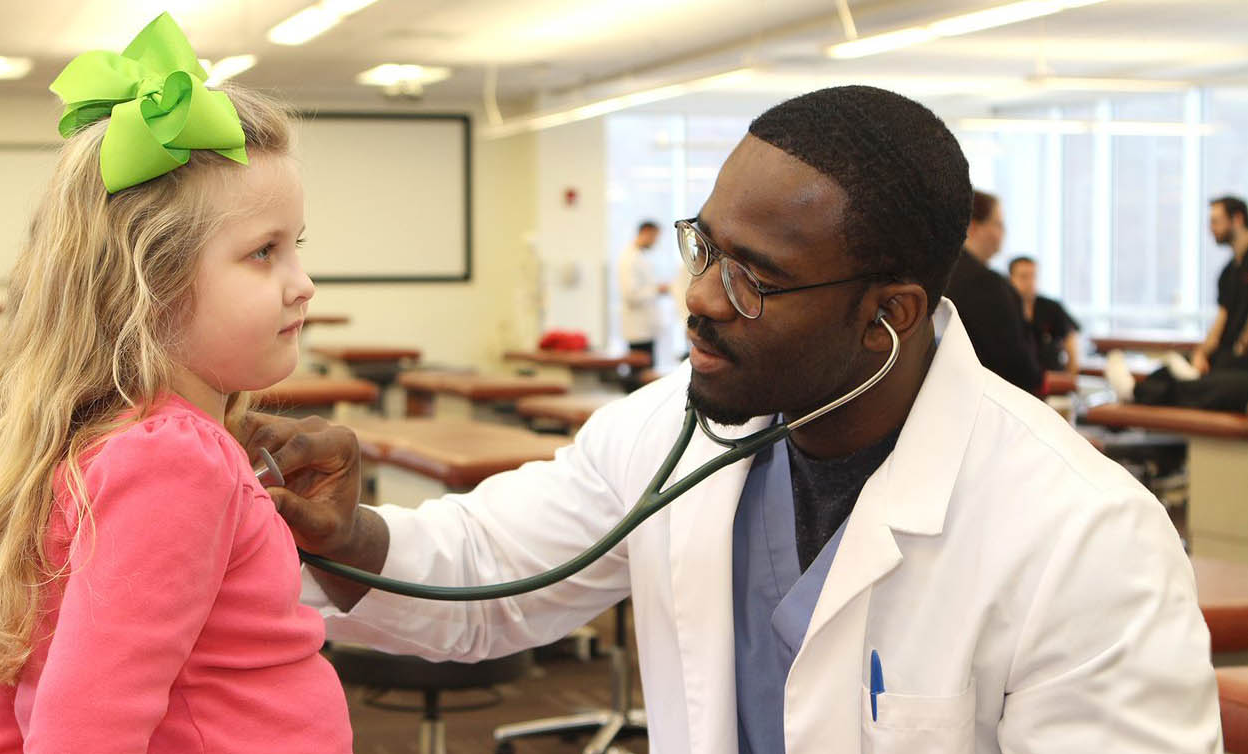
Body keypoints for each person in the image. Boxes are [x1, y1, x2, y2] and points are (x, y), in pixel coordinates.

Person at [251, 87, 1218, 753]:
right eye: (705, 247)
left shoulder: (1083, 537)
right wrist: (351, 534)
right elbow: (493, 573)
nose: (702, 297)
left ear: (889, 315)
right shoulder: (673, 429)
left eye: (756, 277)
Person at [0, 14, 353, 753]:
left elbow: (9, 691)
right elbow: (86, 729)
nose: (302, 284)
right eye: (262, 253)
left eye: (295, 247)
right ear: (152, 284)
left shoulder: (88, 440)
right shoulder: (175, 461)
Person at [1108, 195, 1248, 411]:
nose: (1210, 228)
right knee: (1171, 368)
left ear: (1237, 219)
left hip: (1241, 363)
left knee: (1215, 386)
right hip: (1227, 356)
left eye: (1215, 221)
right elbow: (1222, 320)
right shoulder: (1228, 272)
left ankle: (1136, 393)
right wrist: (1202, 353)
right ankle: (1138, 389)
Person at [943, 190, 1043, 393]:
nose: (1003, 232)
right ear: (973, 227)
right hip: (984, 397)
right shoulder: (985, 283)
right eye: (997, 224)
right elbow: (1016, 364)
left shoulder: (940, 271)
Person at [1008, 256, 1081, 374]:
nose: (1030, 282)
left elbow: (1070, 339)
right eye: (1023, 277)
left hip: (1052, 377)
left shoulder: (1051, 307)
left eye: (1033, 276)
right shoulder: (1005, 308)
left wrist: (1070, 377)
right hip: (1016, 379)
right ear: (1011, 278)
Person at [618, 220, 670, 363]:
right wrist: (657, 289)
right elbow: (631, 295)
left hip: (646, 328)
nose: (655, 241)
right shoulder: (629, 258)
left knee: (649, 368)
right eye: (655, 237)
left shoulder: (640, 257)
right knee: (641, 373)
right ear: (646, 233)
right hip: (638, 330)